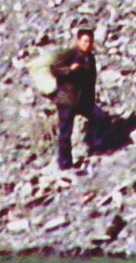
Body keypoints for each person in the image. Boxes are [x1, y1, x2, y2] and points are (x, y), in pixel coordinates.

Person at [37, 26, 100, 170]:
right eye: (85, 41)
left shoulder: (90, 57)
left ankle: (97, 146)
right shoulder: (70, 54)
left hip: (83, 100)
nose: (88, 44)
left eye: (90, 41)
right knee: (65, 132)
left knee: (100, 117)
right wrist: (70, 70)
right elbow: (55, 69)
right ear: (78, 41)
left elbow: (90, 81)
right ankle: (65, 164)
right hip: (67, 100)